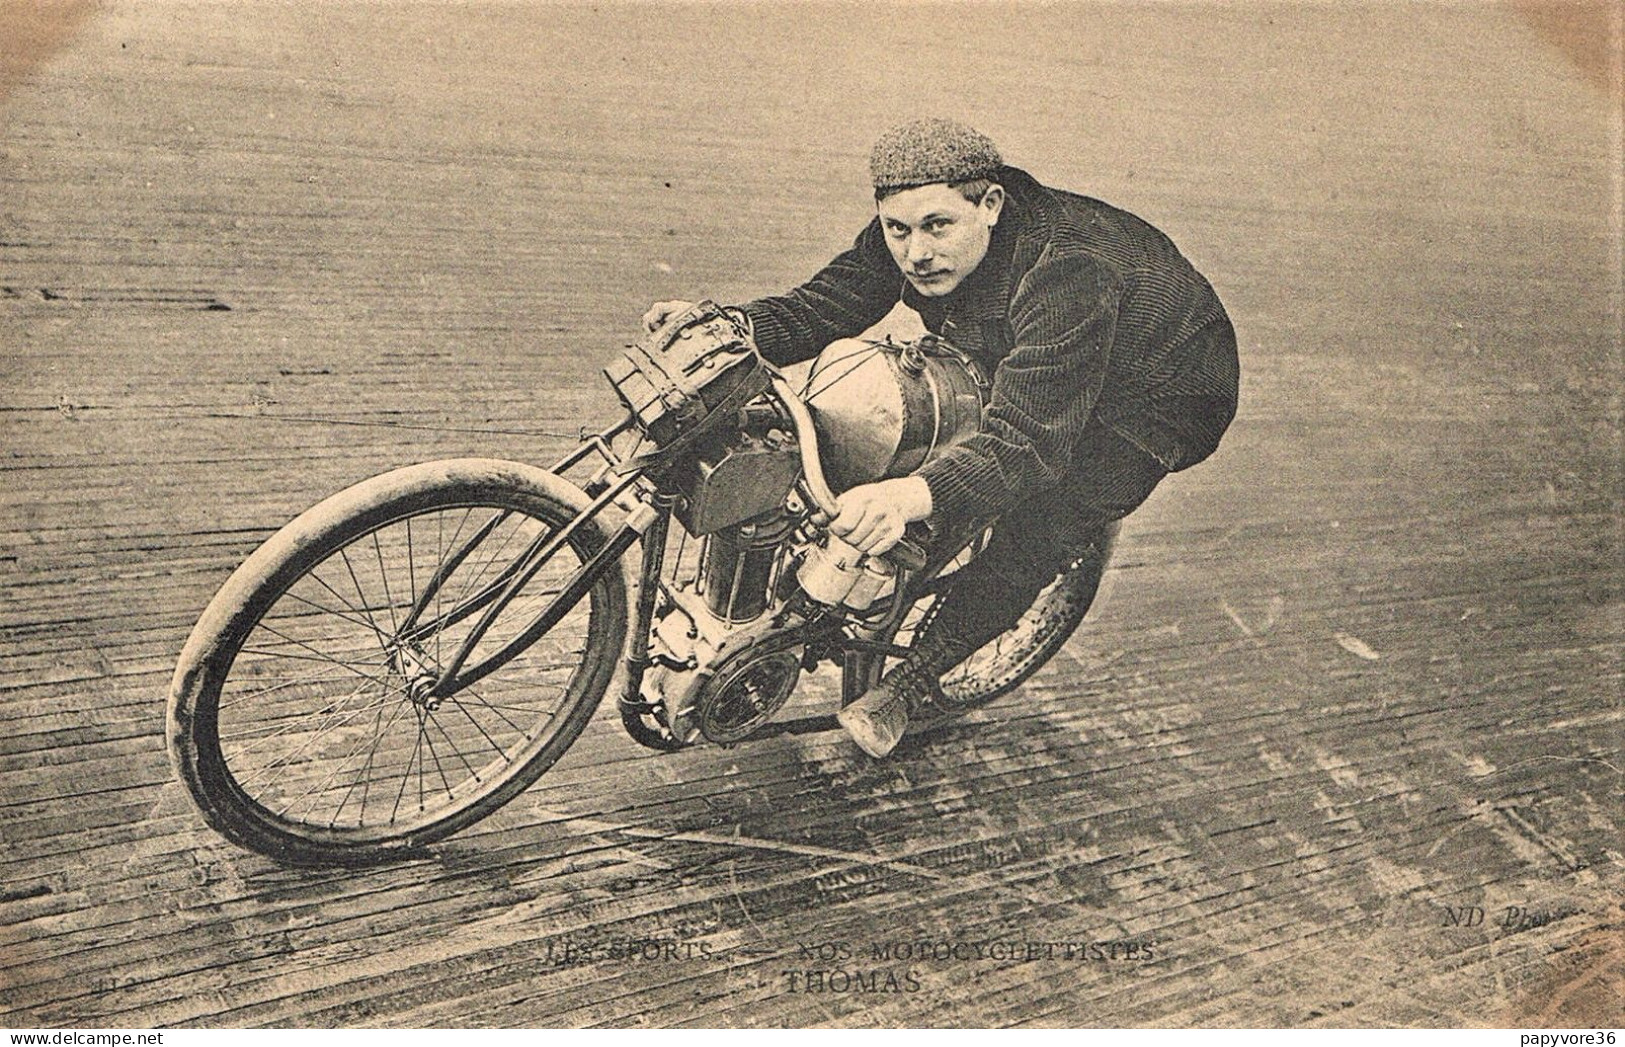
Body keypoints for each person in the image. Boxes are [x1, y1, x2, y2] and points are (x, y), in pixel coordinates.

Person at [643, 118, 1238, 758]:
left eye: (936, 227)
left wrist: (911, 496)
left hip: (1155, 396)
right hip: (1030, 348)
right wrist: (729, 328)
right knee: (921, 451)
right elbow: (822, 307)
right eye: (897, 230)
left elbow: (1027, 444)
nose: (915, 253)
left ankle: (913, 683)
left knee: (1040, 520)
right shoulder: (916, 228)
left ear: (990, 204)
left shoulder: (1070, 270)